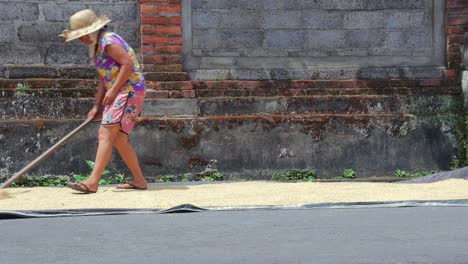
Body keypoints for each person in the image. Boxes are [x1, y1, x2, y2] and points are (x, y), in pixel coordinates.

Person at [61, 9, 147, 193]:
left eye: (82, 35)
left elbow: (128, 64)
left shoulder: (108, 41)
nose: (81, 39)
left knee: (105, 133)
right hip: (119, 91)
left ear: (92, 30)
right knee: (119, 139)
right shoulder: (97, 47)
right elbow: (103, 78)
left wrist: (114, 90)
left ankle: (92, 181)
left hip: (129, 90)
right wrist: (96, 106)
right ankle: (139, 180)